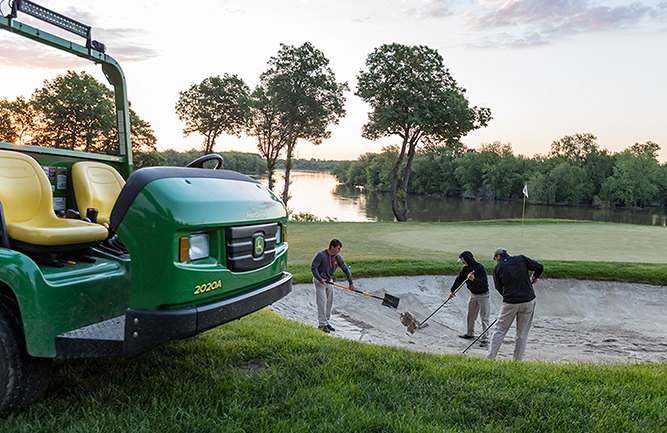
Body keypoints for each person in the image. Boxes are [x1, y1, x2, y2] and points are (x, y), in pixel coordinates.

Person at [487, 247, 543, 361]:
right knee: (522, 333)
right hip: (528, 300)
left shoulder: (498, 267)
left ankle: (491, 357)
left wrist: (508, 296)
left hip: (510, 302)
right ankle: (517, 361)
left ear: (498, 256)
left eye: (495, 258)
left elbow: (498, 287)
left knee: (500, 330)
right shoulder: (521, 259)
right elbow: (539, 267)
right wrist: (534, 277)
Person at [311, 238, 354, 333]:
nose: (339, 250)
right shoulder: (321, 255)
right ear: (332, 247)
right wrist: (320, 279)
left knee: (329, 301)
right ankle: (322, 324)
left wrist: (351, 283)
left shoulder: (337, 257)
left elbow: (346, 269)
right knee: (322, 302)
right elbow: (313, 268)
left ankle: (326, 321)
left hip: (329, 281)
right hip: (320, 282)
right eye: (338, 248)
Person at [448, 251, 490, 347]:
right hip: (473, 294)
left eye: (464, 261)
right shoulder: (465, 269)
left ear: (468, 259)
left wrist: (473, 279)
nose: (463, 263)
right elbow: (459, 280)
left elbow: (484, 282)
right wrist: (452, 291)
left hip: (483, 295)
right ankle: (470, 333)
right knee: (471, 315)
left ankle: (485, 338)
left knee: (484, 317)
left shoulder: (480, 268)